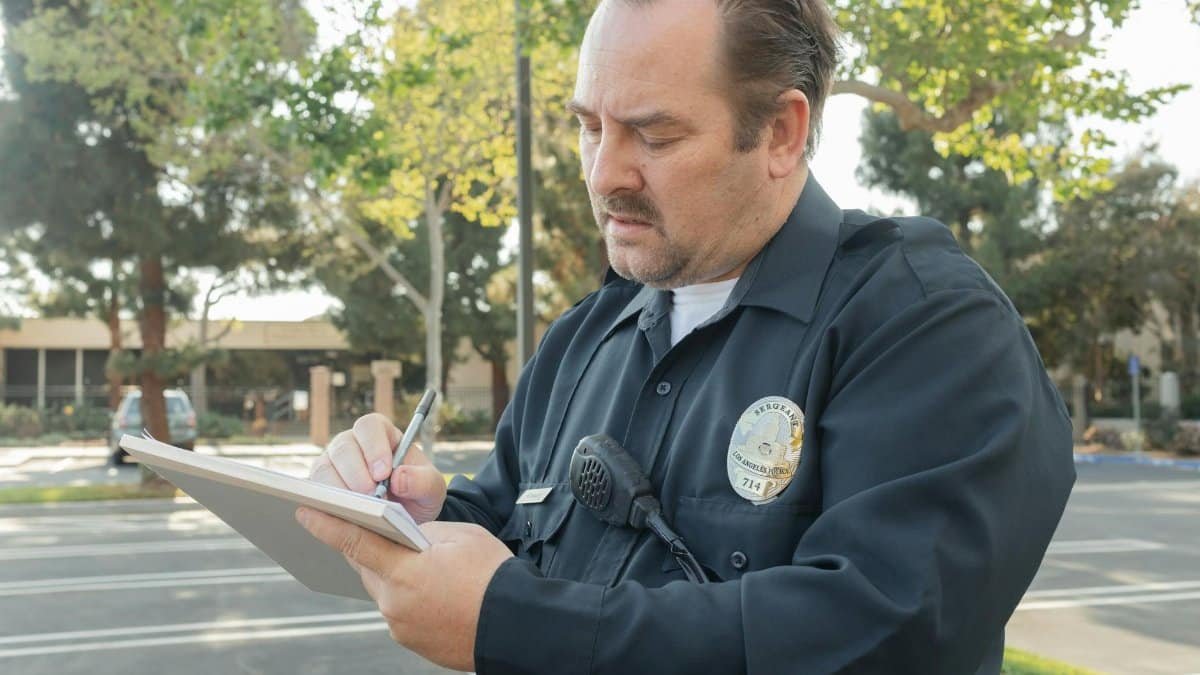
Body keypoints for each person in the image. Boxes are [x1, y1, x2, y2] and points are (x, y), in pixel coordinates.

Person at [297, 0, 1076, 672]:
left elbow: (879, 632)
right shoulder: (584, 338)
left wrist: (516, 622)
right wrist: (405, 510)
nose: (604, 174)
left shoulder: (925, 323)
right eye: (588, 127)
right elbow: (508, 531)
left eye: (653, 136)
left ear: (780, 130)